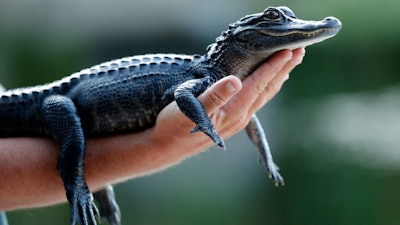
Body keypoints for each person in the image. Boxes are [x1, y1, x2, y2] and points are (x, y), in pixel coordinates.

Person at [0, 48, 305, 211]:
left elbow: (250, 119)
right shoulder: (202, 75)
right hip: (58, 104)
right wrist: (159, 147)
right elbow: (184, 95)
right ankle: (79, 189)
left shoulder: (207, 72)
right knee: (73, 142)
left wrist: (265, 155)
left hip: (65, 108)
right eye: (274, 18)